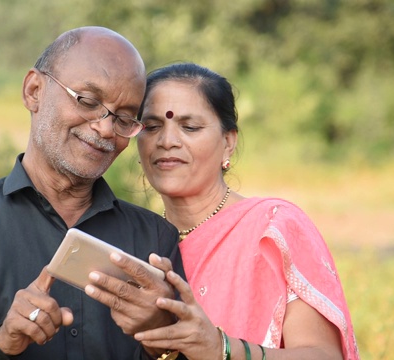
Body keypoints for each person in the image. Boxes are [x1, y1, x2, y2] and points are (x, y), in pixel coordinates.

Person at [0, 26, 184, 360]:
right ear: (34, 90)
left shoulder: (155, 240)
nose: (104, 128)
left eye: (125, 118)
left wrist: (162, 338)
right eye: (87, 101)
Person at [132, 63, 359, 360]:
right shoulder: (135, 242)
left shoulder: (273, 227)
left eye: (189, 127)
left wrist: (222, 349)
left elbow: (323, 355)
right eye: (152, 126)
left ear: (228, 143)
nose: (166, 141)